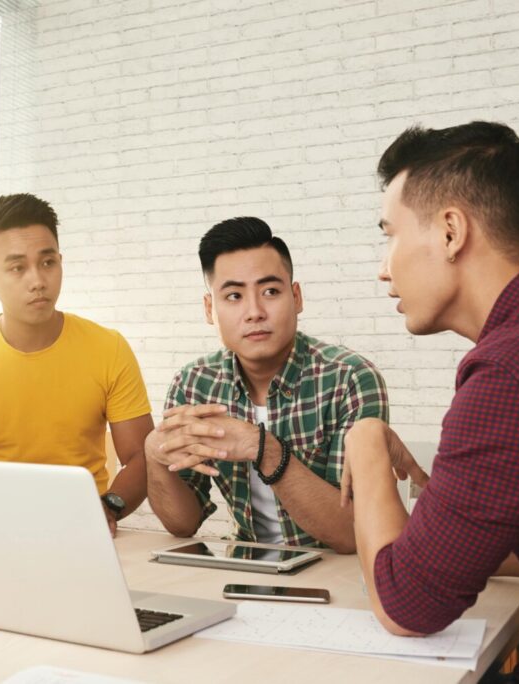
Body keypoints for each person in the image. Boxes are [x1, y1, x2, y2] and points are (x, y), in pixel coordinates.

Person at [342, 121, 519, 682]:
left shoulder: (513, 373)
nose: (384, 268)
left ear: (449, 232)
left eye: (389, 234)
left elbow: (407, 606)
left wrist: (365, 439)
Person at [145, 218, 388, 551]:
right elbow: (183, 524)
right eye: (233, 296)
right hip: (246, 568)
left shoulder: (349, 378)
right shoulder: (194, 383)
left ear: (297, 296)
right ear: (209, 309)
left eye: (271, 291)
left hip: (337, 571)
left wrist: (263, 448)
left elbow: (353, 534)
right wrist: (154, 456)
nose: (255, 312)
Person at [0, 193, 153, 534]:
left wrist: (108, 508)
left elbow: (141, 457)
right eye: (17, 267)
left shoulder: (109, 348)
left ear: (61, 261)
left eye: (48, 263)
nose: (38, 280)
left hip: (82, 528)